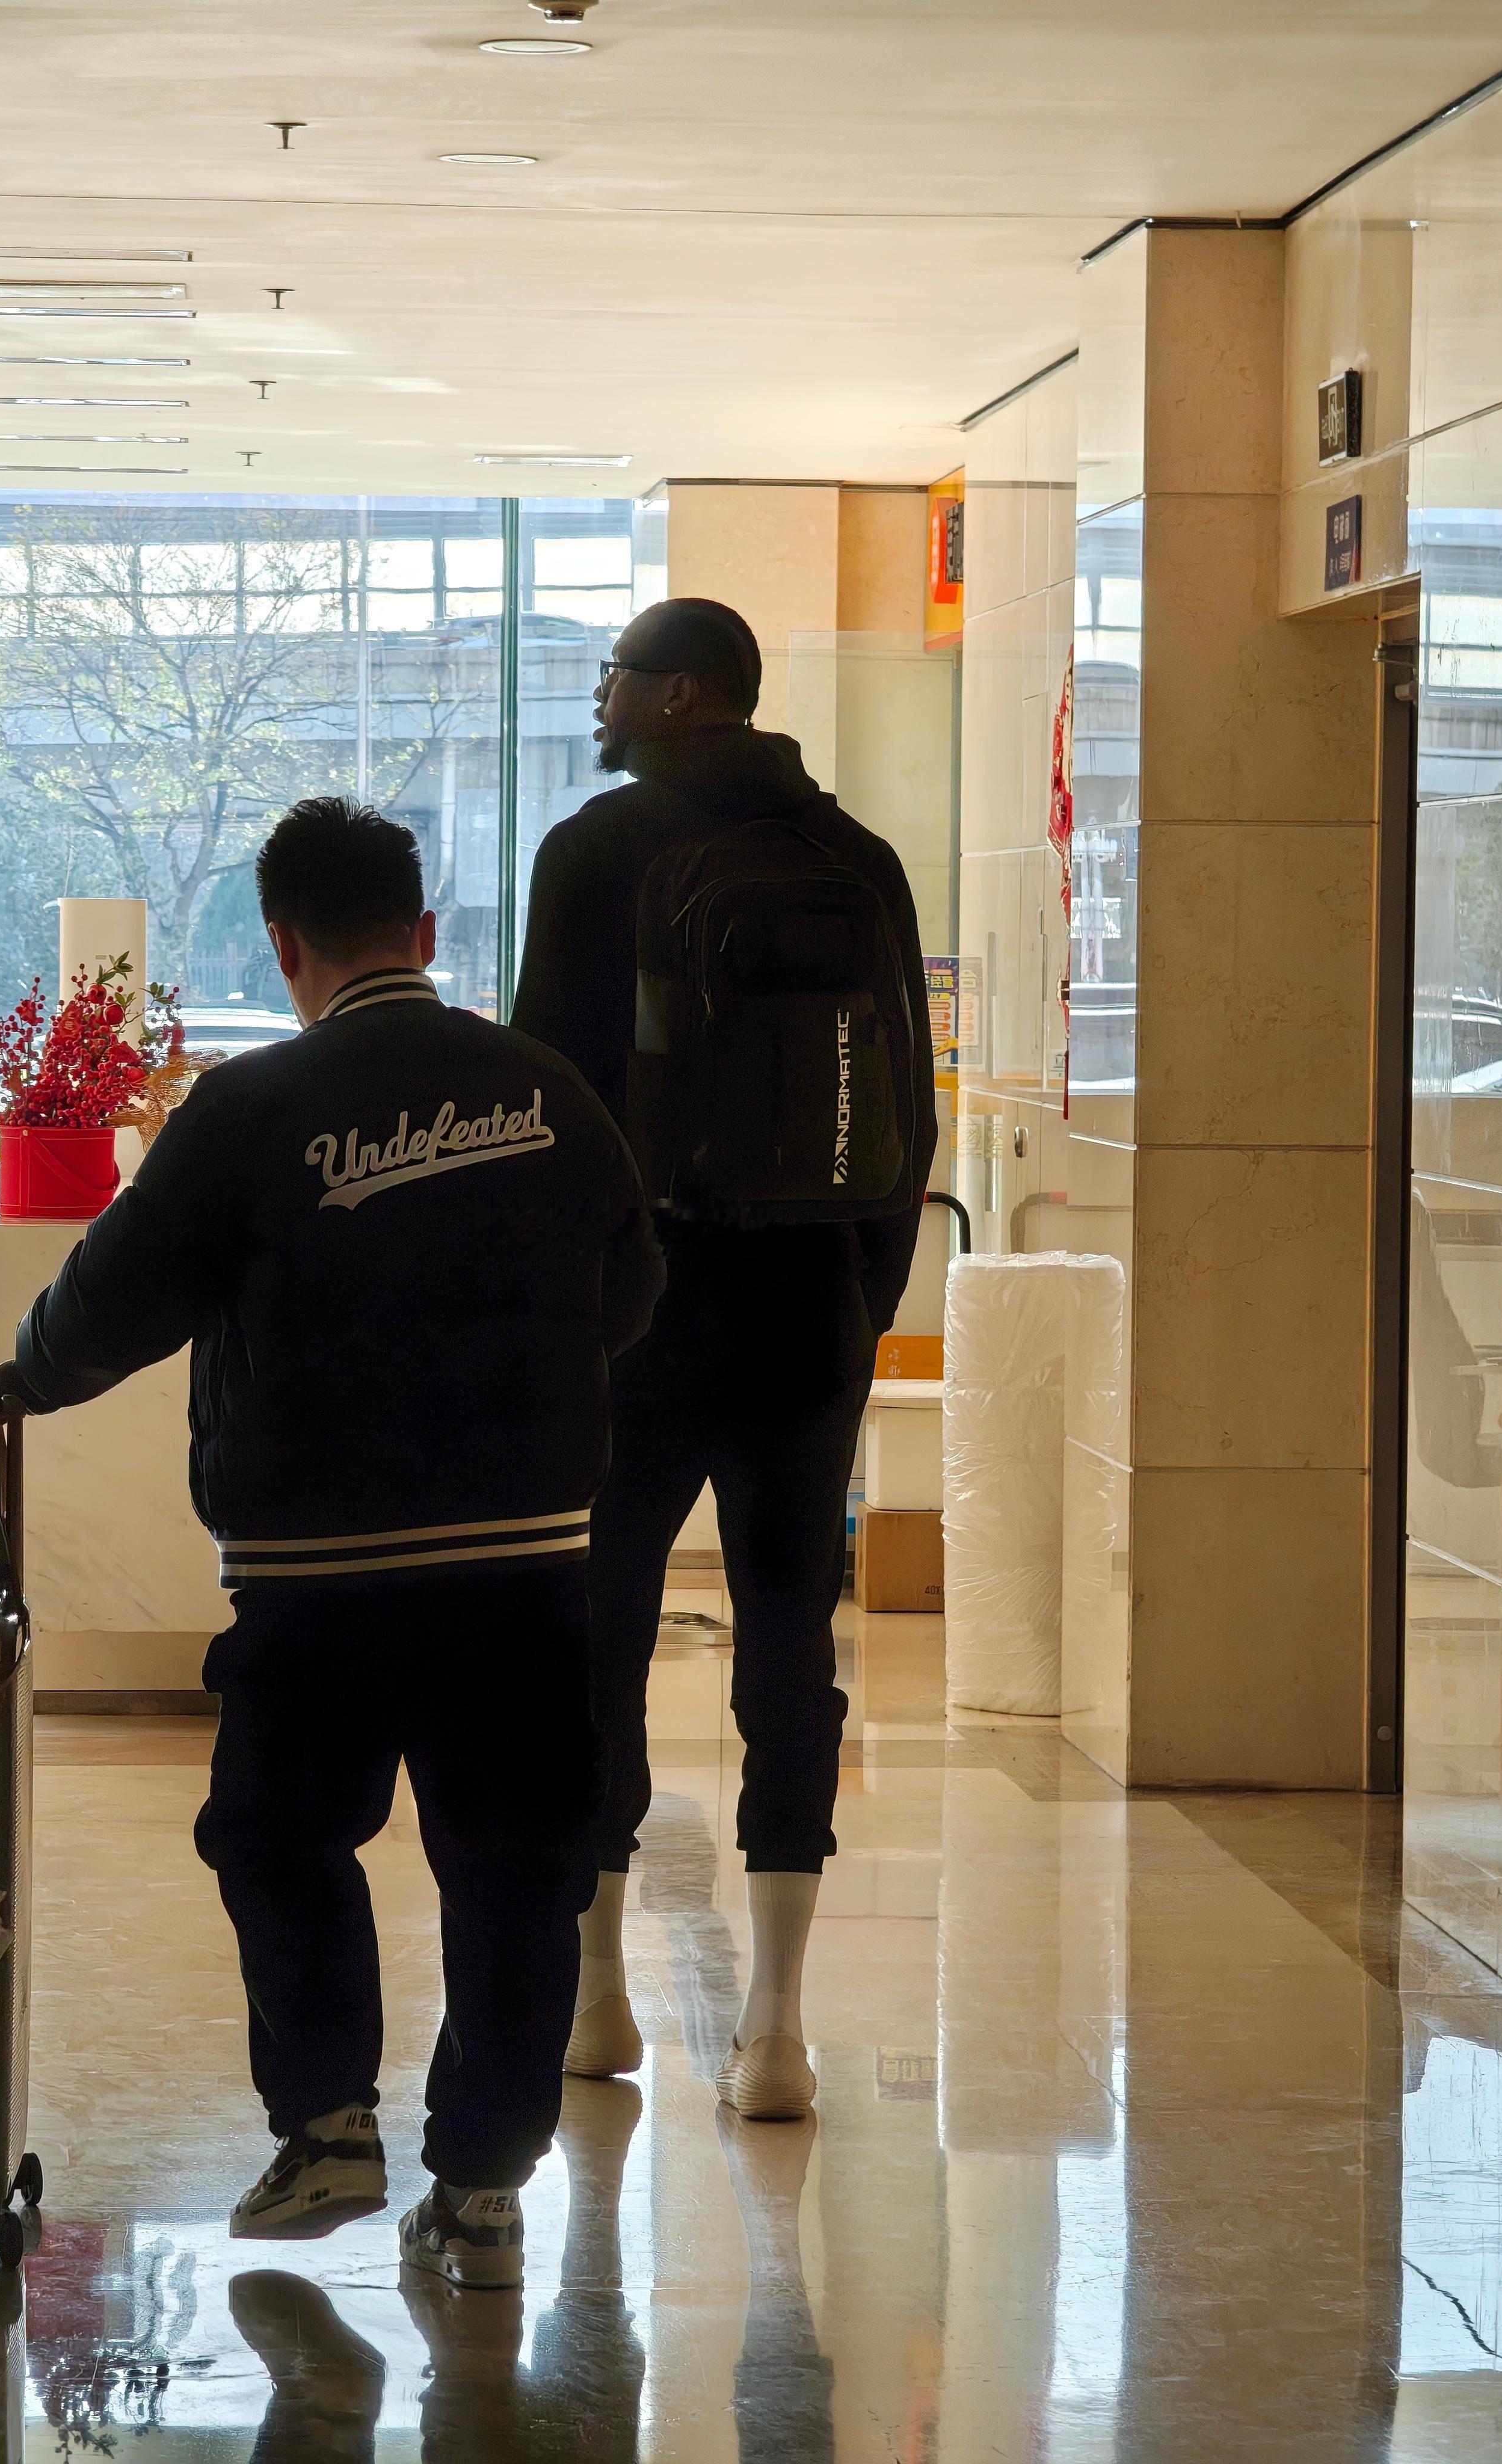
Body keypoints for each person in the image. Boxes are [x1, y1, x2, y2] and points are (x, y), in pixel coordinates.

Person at [0, 796, 664, 2288]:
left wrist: (12, 1382)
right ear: (423, 933)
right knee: (514, 1864)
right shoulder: (550, 1093)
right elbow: (631, 1293)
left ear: (283, 945)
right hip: (525, 1565)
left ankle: (329, 2125)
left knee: (281, 1838)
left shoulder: (250, 1111)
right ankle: (482, 2182)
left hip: (315, 1580)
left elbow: (110, 1296)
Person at [511, 597, 934, 2120]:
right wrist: (855, 1305)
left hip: (634, 1319)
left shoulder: (593, 853)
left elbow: (546, 1100)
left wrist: (563, 1311)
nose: (602, 699)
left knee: (602, 1636)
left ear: (683, 696)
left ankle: (601, 1998)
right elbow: (908, 1115)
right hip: (808, 1311)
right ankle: (776, 2031)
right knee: (788, 1651)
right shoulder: (860, 858)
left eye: (618, 675)